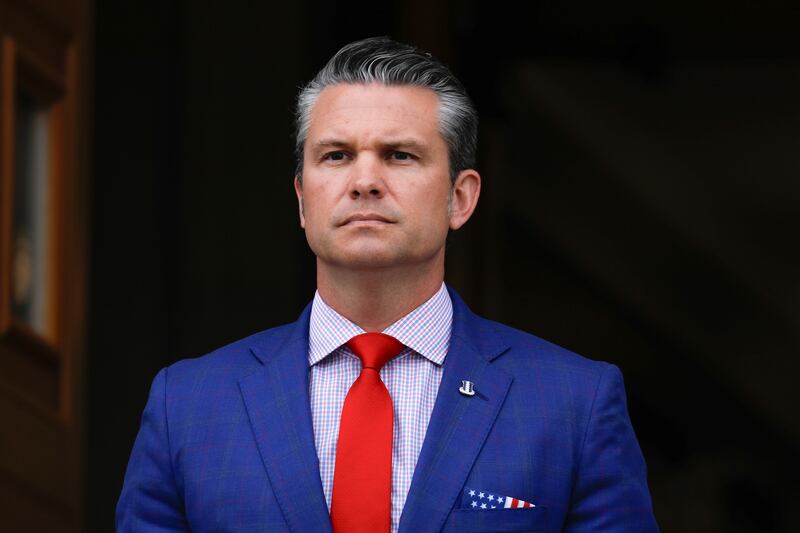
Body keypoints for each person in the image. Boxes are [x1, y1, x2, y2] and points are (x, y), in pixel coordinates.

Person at [116, 36, 659, 533]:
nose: (365, 181)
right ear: (302, 198)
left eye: (400, 155)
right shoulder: (187, 406)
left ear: (461, 198)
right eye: (337, 156)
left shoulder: (574, 404)